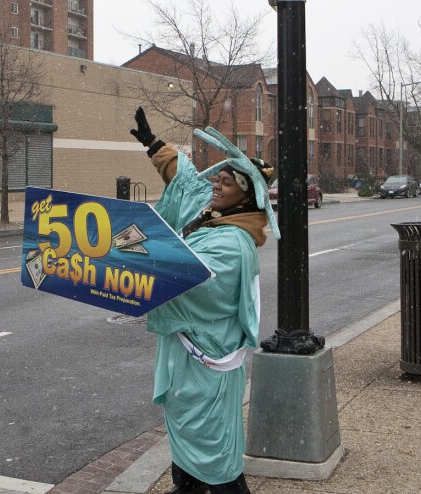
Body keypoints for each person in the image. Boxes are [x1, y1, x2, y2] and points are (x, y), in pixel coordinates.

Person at [130, 107, 280, 494]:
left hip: (206, 357)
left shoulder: (233, 242)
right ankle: (187, 487)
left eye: (226, 182)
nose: (216, 184)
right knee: (185, 425)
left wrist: (137, 273)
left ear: (245, 196)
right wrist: (155, 146)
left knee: (212, 438)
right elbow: (186, 180)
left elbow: (199, 288)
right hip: (186, 357)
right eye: (219, 177)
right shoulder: (212, 213)